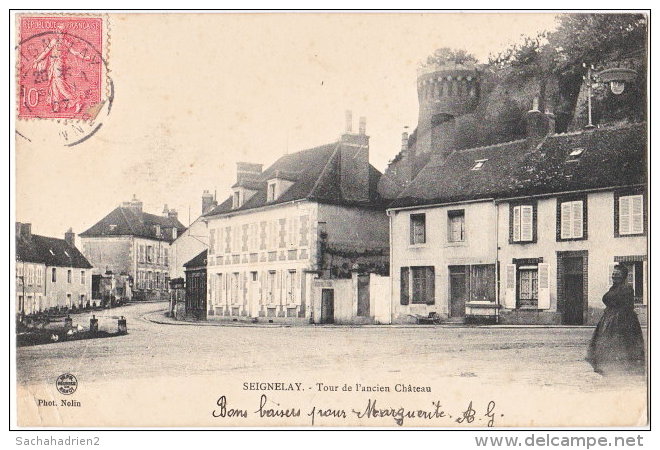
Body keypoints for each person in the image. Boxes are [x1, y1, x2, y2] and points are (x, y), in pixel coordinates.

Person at [586, 264, 645, 375]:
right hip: (609, 319)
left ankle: (620, 370)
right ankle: (608, 368)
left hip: (621, 320)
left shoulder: (627, 288)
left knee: (620, 344)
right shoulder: (613, 288)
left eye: (617, 274)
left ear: (623, 276)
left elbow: (627, 306)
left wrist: (616, 314)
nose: (614, 276)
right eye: (613, 274)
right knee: (605, 344)